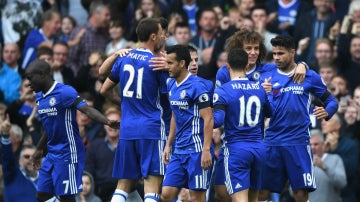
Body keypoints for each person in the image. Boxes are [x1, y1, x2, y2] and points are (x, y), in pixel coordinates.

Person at [24, 59, 119, 202]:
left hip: (68, 152)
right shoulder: (39, 97)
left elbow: (86, 109)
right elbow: (48, 127)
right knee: (42, 195)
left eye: (30, 78)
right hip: (52, 152)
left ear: (42, 74)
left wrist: (107, 121)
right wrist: (39, 150)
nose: (28, 83)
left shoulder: (65, 92)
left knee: (66, 197)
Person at [259, 35, 339, 202]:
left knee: (301, 194)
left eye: (280, 53)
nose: (276, 58)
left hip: (298, 142)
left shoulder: (309, 76)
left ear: (292, 52)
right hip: (272, 141)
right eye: (274, 53)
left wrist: (327, 112)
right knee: (262, 193)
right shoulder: (267, 72)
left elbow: (332, 101)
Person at [100, 17, 167, 202]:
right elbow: (171, 96)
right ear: (153, 36)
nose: (164, 37)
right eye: (162, 33)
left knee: (123, 186)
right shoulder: (157, 63)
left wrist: (123, 101)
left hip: (128, 128)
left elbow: (104, 89)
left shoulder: (124, 58)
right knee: (152, 186)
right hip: (151, 129)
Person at [212, 48, 270, 202]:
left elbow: (217, 121)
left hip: (236, 149)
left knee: (240, 199)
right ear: (246, 66)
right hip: (258, 148)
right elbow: (269, 113)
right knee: (253, 199)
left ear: (228, 66)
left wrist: (202, 114)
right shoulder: (260, 88)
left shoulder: (223, 90)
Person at [161, 44, 213, 202]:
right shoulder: (170, 84)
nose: (166, 67)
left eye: (170, 63)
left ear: (182, 63)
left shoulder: (197, 86)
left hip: (196, 150)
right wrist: (168, 144)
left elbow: (209, 118)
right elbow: (174, 115)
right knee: (166, 194)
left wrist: (205, 150)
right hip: (179, 149)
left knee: (196, 197)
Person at [1, 114, 54, 202]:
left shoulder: (48, 179)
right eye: (26, 156)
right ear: (19, 160)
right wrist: (6, 135)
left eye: (34, 156)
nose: (31, 159)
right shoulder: (12, 175)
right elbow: (7, 158)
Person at [309, 129, 347, 202]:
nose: (312, 147)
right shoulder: (302, 163)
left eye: (316, 144)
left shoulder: (335, 159)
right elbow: (293, 192)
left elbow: (342, 183)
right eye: (310, 144)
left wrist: (324, 167)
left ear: (323, 145)